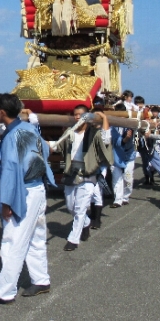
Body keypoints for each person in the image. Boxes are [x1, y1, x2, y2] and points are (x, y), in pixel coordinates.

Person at [0, 93, 55, 304]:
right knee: (35, 237)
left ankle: (5, 291)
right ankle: (41, 279)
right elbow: (45, 150)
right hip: (37, 188)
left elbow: (10, 170)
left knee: (13, 240)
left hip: (22, 191)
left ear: (1, 111)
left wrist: (7, 202)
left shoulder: (11, 137)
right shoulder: (29, 128)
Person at [49, 105, 111, 250]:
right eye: (75, 114)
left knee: (80, 208)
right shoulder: (69, 132)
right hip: (71, 172)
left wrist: (104, 118)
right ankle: (86, 223)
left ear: (87, 116)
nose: (77, 117)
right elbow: (58, 145)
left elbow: (106, 139)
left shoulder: (94, 133)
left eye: (81, 114)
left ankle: (73, 239)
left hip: (88, 173)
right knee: (71, 206)